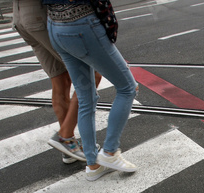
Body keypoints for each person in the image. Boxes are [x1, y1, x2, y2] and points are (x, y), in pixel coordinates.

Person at [42, 0, 139, 181]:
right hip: (81, 23)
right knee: (128, 87)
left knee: (85, 95)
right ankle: (109, 152)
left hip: (54, 26)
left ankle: (93, 164)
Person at [12, 0, 102, 164]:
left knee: (60, 78)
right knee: (91, 74)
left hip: (21, 16)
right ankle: (65, 137)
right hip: (42, 14)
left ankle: (68, 148)